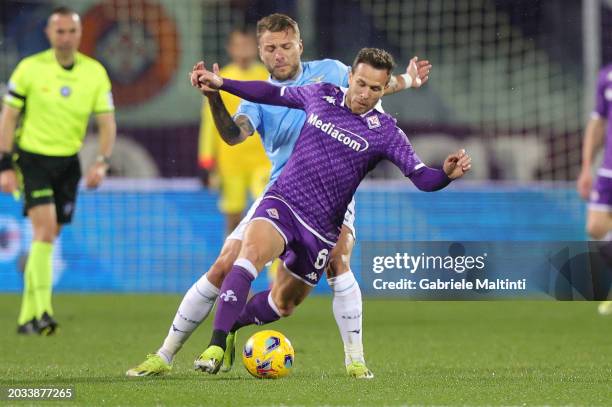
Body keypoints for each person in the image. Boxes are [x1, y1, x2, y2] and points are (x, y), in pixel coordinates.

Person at [126, 13, 430, 379]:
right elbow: (233, 136)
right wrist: (214, 98)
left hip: (332, 196)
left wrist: (409, 79)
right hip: (282, 191)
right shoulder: (256, 97)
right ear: (261, 52)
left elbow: (371, 87)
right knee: (225, 262)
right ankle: (165, 354)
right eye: (271, 48)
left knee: (311, 281)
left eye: (286, 46)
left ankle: (354, 360)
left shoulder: (331, 73)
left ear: (299, 45)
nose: (280, 54)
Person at [192, 47, 470, 375]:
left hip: (321, 229)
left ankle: (234, 328)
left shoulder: (386, 133)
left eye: (375, 89)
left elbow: (421, 177)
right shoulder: (322, 94)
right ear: (350, 77)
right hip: (283, 202)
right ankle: (215, 344)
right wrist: (223, 83)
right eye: (361, 84)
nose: (365, 94)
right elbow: (271, 92)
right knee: (248, 256)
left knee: (284, 304)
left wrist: (445, 176)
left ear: (384, 91)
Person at [0, 6, 116, 335]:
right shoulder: (29, 69)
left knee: (49, 237)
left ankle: (26, 317)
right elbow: (8, 117)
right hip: (32, 158)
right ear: (48, 34)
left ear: (80, 35)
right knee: (46, 231)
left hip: (68, 163)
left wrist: (101, 162)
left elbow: (107, 123)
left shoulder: (94, 73)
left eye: (71, 31)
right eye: (60, 31)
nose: (65, 37)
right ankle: (44, 311)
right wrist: (5, 163)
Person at [198, 27, 271, 236]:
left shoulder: (265, 76)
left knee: (269, 213)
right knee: (233, 216)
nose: (243, 50)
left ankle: (276, 268)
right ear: (230, 49)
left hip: (263, 159)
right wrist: (207, 160)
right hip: (230, 160)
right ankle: (231, 265)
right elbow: (210, 123)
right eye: (238, 45)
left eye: (247, 45)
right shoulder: (222, 78)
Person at [577, 65, 612, 315]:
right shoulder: (607, 76)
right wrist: (587, 166)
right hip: (608, 167)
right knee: (596, 226)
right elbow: (597, 122)